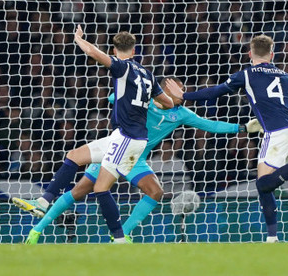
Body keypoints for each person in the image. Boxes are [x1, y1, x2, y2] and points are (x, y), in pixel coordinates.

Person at [23, 77, 262, 244]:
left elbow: (212, 125)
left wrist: (242, 127)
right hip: (117, 148)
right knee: (79, 191)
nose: (182, 94)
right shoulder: (146, 100)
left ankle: (122, 234)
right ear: (165, 90)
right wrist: (124, 96)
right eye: (178, 90)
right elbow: (112, 97)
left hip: (136, 159)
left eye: (183, 90)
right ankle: (36, 231)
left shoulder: (181, 114)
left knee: (155, 192)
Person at [12, 27, 175, 244]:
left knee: (100, 188)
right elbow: (170, 103)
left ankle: (119, 238)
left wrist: (79, 38)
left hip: (128, 140)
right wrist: (150, 103)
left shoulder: (122, 67)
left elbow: (93, 53)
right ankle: (43, 202)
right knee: (74, 156)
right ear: (134, 51)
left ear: (115, 50)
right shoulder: (148, 74)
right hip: (125, 136)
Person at [167, 34, 288, 242]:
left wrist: (184, 96)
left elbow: (215, 92)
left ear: (250, 53)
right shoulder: (284, 76)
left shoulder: (246, 74)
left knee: (264, 184)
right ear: (272, 54)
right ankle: (272, 238)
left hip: (276, 133)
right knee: (265, 185)